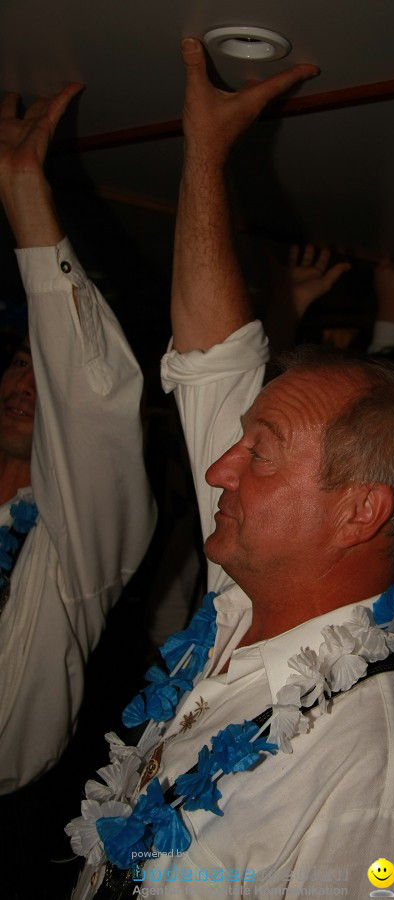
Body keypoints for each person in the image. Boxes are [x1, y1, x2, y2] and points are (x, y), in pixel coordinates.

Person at [67, 39, 394, 899]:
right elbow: (213, 355)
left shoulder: (382, 768)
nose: (218, 467)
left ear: (358, 513)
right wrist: (207, 153)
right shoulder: (246, 605)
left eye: (259, 451)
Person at [0, 86, 156, 793]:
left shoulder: (80, 547)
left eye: (42, 369)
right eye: (14, 362)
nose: (25, 382)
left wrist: (26, 194)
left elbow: (91, 404)